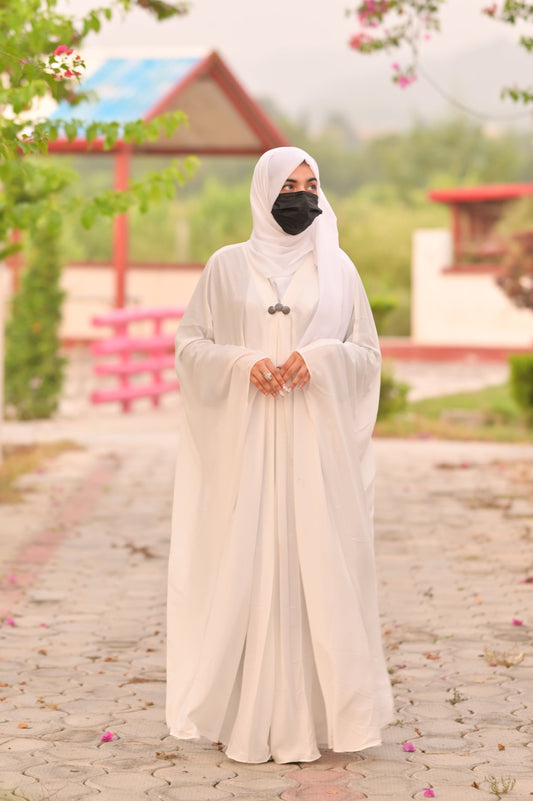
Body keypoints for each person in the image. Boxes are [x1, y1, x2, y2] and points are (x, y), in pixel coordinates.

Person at [166, 146, 393, 765]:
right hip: (247, 447)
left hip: (316, 453)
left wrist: (317, 359)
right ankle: (244, 711)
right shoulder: (226, 266)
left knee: (315, 563)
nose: (301, 195)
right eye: (288, 184)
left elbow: (367, 354)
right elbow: (190, 345)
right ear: (262, 191)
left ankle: (323, 716)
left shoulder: (339, 268)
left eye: (311, 183)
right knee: (250, 560)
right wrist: (241, 364)